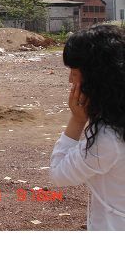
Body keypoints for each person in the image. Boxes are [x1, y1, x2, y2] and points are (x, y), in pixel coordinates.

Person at [50, 24, 125, 231]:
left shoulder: (107, 139)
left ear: (96, 77)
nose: (70, 80)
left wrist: (77, 120)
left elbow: (59, 174)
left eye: (74, 72)